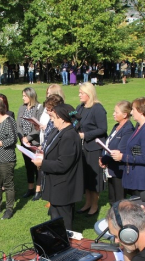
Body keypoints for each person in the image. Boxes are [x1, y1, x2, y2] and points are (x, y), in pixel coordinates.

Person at [32, 103, 84, 230]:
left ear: (61, 118)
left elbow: (63, 164)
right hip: (56, 184)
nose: (51, 120)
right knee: (56, 219)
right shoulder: (58, 131)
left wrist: (42, 164)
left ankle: (66, 245)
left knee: (63, 221)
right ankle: (59, 242)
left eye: (54, 117)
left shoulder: (69, 136)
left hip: (64, 186)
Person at [110, 97, 145, 197]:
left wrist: (122, 157)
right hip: (134, 177)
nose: (131, 112)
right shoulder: (139, 126)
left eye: (133, 109)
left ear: (140, 111)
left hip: (141, 180)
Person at [76, 82, 108, 216]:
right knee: (86, 177)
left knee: (94, 178)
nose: (79, 95)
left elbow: (103, 129)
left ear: (89, 94)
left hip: (94, 148)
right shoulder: (80, 107)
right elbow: (75, 122)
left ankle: (94, 205)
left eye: (81, 93)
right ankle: (87, 203)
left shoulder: (98, 108)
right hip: (83, 148)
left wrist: (85, 135)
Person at [33, 85, 65, 201]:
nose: (47, 95)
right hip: (45, 141)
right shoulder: (48, 113)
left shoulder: (61, 116)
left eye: (49, 94)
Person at [100, 101, 134, 204]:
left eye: (116, 112)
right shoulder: (116, 126)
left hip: (119, 170)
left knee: (119, 200)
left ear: (125, 115)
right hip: (111, 167)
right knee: (112, 198)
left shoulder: (128, 129)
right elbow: (109, 143)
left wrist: (104, 159)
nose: (113, 114)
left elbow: (120, 149)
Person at [16, 87, 44, 198]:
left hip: (35, 143)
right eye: (22, 96)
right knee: (28, 166)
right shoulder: (22, 108)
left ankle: (38, 189)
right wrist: (23, 138)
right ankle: (30, 188)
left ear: (31, 96)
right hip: (24, 142)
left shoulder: (39, 108)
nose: (23, 98)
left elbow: (38, 126)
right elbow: (18, 125)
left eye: (24, 96)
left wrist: (28, 138)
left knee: (37, 166)